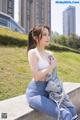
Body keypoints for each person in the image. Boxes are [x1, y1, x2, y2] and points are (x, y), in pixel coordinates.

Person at [26, 25, 78, 120]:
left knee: (72, 111)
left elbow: (54, 76)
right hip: (36, 93)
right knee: (65, 114)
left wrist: (59, 91)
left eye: (48, 35)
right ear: (35, 37)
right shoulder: (32, 53)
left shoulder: (50, 54)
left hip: (49, 91)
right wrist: (51, 67)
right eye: (44, 35)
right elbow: (36, 76)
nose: (48, 37)